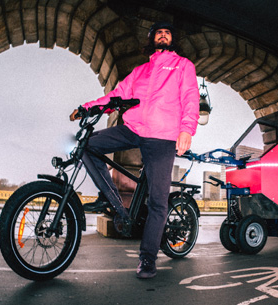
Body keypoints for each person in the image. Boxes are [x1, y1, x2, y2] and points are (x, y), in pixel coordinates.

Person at [70, 21, 200, 279]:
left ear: (172, 39)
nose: (163, 35)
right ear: (152, 39)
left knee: (158, 201)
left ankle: (147, 259)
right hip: (133, 128)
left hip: (162, 137)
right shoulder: (140, 71)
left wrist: (186, 129)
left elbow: (190, 97)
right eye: (158, 33)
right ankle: (113, 201)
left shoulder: (183, 65)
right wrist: (87, 108)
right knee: (88, 144)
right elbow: (115, 96)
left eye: (167, 32)